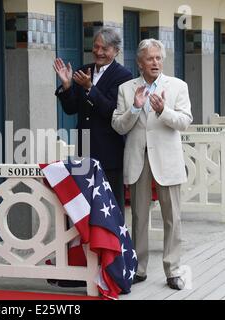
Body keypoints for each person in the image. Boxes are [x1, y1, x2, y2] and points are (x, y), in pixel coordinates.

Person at [112, 39, 193, 290]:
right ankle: (138, 268)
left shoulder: (178, 86)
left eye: (158, 58)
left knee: (173, 218)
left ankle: (173, 269)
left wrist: (163, 111)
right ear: (140, 63)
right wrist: (135, 108)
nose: (155, 62)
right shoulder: (126, 89)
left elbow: (185, 121)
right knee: (138, 217)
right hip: (138, 160)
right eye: (150, 58)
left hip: (167, 161)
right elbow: (118, 125)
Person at [54, 27, 133, 215]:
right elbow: (71, 108)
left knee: (110, 205)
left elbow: (112, 111)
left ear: (116, 51)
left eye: (104, 48)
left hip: (110, 151)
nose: (99, 52)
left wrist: (90, 87)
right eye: (96, 47)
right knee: (86, 205)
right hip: (85, 149)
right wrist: (67, 87)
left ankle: (113, 244)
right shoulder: (83, 70)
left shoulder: (123, 75)